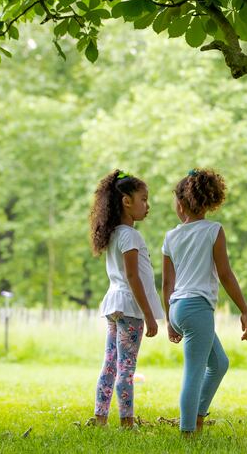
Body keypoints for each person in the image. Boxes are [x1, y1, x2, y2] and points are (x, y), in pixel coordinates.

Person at [161, 168, 247, 436]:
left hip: (178, 308)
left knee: (219, 363)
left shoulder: (171, 236)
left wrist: (169, 320)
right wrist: (244, 309)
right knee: (194, 372)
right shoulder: (214, 231)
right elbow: (225, 274)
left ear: (181, 203)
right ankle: (188, 431)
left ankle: (197, 415)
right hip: (198, 309)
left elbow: (167, 284)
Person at [88, 169, 165, 429]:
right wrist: (148, 315)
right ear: (126, 201)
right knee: (126, 368)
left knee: (110, 364)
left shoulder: (114, 234)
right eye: (143, 199)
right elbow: (134, 277)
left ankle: (100, 418)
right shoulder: (131, 235)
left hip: (114, 304)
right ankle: (127, 422)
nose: (147, 206)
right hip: (130, 307)